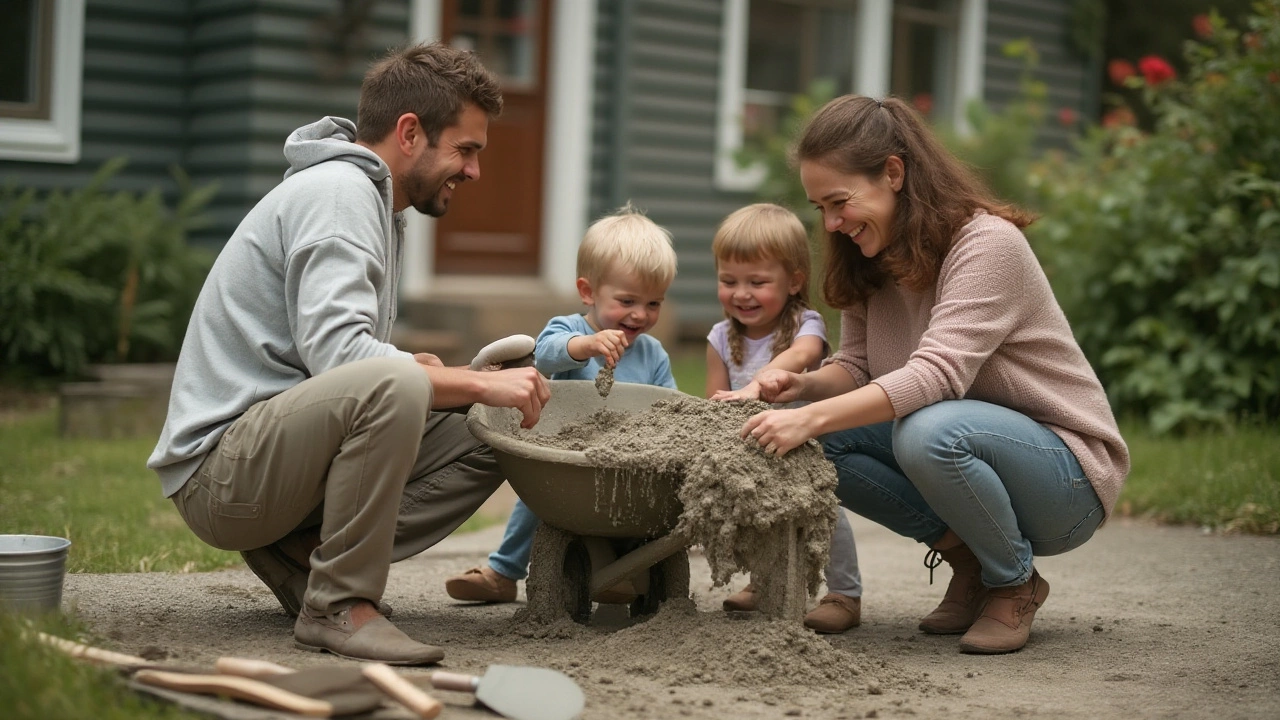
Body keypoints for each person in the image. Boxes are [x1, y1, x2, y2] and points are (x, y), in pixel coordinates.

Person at [146, 43, 551, 666]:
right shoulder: (339, 195)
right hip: (220, 475)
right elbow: (347, 367)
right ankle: (338, 604)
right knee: (409, 386)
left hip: (271, 461)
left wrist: (455, 379)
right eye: (466, 150)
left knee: (492, 422)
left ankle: (303, 557)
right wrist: (459, 381)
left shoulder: (374, 200)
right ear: (410, 133)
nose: (474, 171)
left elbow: (333, 356)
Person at [739, 95, 1129, 654]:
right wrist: (800, 390)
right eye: (819, 207)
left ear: (893, 173)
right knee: (812, 438)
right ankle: (969, 558)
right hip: (969, 449)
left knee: (929, 430)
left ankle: (1015, 582)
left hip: (1065, 479)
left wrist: (810, 416)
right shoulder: (866, 255)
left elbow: (937, 375)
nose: (831, 222)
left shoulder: (986, 243)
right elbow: (857, 368)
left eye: (839, 202)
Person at [444, 204, 680, 604]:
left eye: (654, 304)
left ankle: (624, 572)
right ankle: (503, 571)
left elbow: (669, 404)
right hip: (568, 455)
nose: (640, 314)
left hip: (630, 459)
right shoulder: (571, 329)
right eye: (626, 301)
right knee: (535, 502)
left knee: (644, 513)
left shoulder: (653, 353)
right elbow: (547, 353)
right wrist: (585, 346)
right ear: (588, 291)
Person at [704, 203, 863, 634]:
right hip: (754, 446)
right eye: (728, 281)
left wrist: (767, 375)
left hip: (806, 444)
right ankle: (764, 582)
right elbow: (714, 396)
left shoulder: (803, 325)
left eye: (757, 281)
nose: (742, 293)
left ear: (793, 281)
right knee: (758, 516)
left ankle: (844, 594)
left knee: (827, 514)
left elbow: (804, 356)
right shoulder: (720, 337)